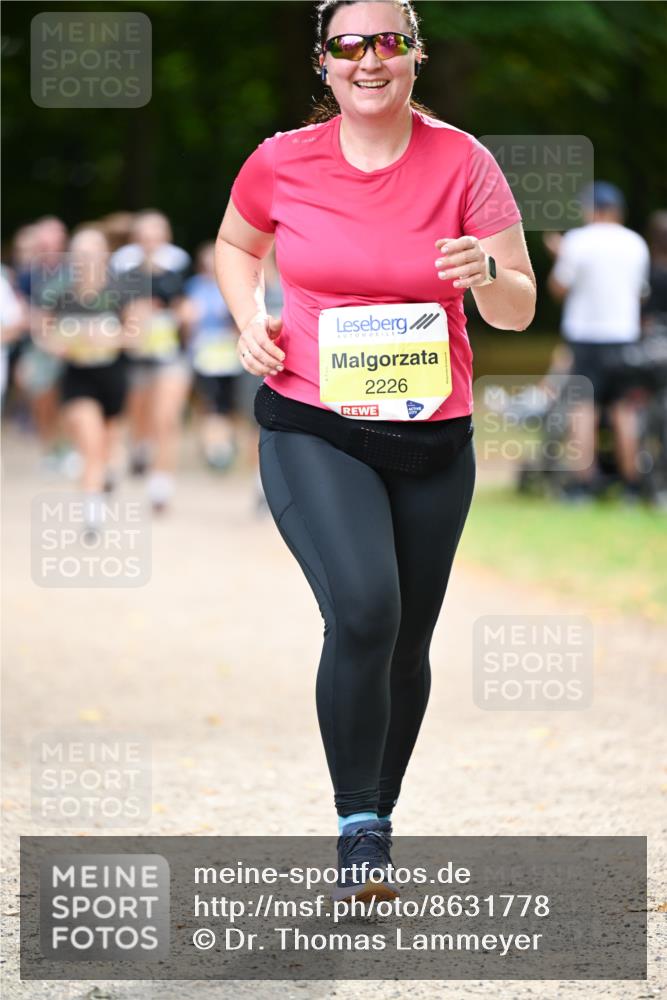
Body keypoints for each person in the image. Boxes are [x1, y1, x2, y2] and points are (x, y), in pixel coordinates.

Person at [216, 0, 535, 903]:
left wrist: (486, 274)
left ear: (414, 57)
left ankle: (379, 818)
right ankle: (356, 828)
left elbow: (518, 306)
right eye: (348, 45)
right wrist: (248, 320)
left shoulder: (463, 160)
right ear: (323, 63)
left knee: (405, 641)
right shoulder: (282, 159)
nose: (368, 59)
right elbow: (236, 244)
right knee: (364, 609)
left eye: (388, 42)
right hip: (313, 420)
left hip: (433, 437)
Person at [546, 181, 650, 501]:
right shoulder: (635, 243)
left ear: (593, 210)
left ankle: (583, 485)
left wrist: (559, 255)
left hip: (586, 336)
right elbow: (640, 292)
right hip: (624, 336)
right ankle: (632, 485)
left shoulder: (577, 241)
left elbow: (558, 288)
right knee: (625, 410)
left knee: (583, 410)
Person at [33, 228, 129, 527]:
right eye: (80, 253)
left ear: (105, 255)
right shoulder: (58, 291)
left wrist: (109, 338)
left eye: (92, 252)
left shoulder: (121, 290)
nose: (86, 259)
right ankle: (92, 514)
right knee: (90, 441)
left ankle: (105, 476)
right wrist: (59, 344)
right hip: (76, 376)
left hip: (112, 375)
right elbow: (41, 332)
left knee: (107, 445)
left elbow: (138, 334)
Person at [182, 242, 243, 470]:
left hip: (229, 356)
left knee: (227, 403)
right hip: (203, 355)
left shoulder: (232, 284)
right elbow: (186, 322)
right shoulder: (193, 286)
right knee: (209, 402)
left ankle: (223, 444)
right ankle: (214, 447)